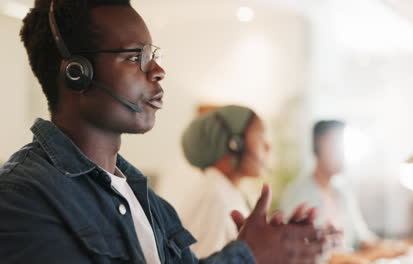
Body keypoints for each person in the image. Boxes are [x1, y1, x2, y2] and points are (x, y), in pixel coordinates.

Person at [0, 0, 328, 263]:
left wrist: (271, 250)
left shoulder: (145, 198)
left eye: (151, 55)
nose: (157, 71)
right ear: (76, 74)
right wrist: (247, 257)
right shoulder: (20, 197)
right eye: (134, 56)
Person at [179, 105, 270, 257]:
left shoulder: (228, 192)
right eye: (260, 136)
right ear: (235, 143)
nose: (268, 146)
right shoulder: (213, 198)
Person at [280, 120, 378, 251]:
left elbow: (362, 237)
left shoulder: (343, 192)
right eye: (336, 146)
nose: (343, 154)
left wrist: (392, 248)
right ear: (317, 146)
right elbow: (298, 251)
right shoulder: (297, 195)